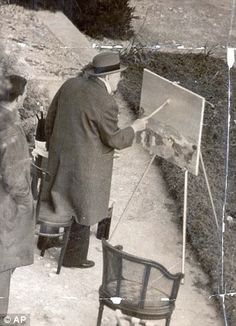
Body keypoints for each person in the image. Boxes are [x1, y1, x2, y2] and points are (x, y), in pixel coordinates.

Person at [39, 52, 147, 268]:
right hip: (84, 169)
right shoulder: (106, 101)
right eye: (119, 75)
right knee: (83, 208)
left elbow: (52, 117)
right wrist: (135, 128)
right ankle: (73, 258)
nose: (121, 79)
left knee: (56, 197)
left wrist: (53, 146)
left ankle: (46, 238)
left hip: (60, 157)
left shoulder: (70, 84)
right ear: (108, 77)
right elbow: (113, 138)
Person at [0, 75, 35, 316]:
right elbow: (14, 180)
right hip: (3, 209)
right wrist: (27, 202)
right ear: (20, 98)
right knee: (3, 266)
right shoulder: (10, 128)